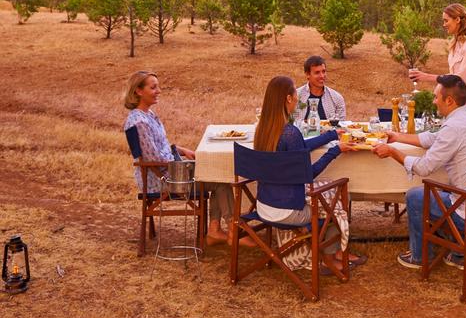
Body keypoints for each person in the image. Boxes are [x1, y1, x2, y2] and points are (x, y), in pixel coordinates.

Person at [373, 74, 466, 270]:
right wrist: (398, 137)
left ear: (449, 100)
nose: (434, 101)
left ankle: (420, 256)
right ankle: (458, 252)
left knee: (415, 196)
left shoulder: (454, 127)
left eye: (436, 97)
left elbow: (423, 168)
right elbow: (433, 138)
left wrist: (393, 152)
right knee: (449, 192)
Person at [254, 75, 366, 274]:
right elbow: (309, 174)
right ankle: (330, 257)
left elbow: (300, 148)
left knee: (329, 194)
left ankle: (335, 252)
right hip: (289, 211)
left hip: (264, 205)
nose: (298, 98)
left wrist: (331, 135)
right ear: (288, 98)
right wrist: (335, 151)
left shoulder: (263, 130)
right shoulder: (289, 132)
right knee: (338, 196)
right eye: (295, 94)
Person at [123, 70, 234, 247]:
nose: (158, 90)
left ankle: (215, 231)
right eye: (153, 87)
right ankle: (231, 231)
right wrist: (186, 168)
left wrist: (180, 150)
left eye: (158, 86)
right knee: (219, 181)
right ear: (138, 91)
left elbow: (160, 147)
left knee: (215, 175)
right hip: (161, 180)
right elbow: (154, 160)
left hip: (168, 172)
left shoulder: (148, 115)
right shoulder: (139, 122)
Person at [409, 3, 466, 119]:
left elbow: (459, 79)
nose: (444, 25)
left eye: (446, 21)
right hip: (460, 108)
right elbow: (452, 76)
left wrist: (426, 77)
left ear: (457, 19)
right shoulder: (454, 45)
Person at [296, 55, 346, 122]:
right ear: (307, 74)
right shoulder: (296, 97)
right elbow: (290, 124)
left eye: (323, 71)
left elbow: (341, 125)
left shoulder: (337, 98)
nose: (322, 76)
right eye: (317, 73)